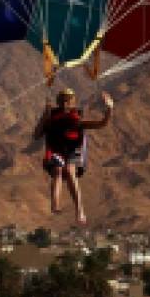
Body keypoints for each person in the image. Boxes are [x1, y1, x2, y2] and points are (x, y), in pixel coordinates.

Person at [33, 87, 113, 224]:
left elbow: (102, 124)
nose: (65, 104)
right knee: (58, 170)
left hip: (73, 152)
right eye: (62, 101)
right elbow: (36, 135)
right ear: (58, 102)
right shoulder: (51, 119)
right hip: (56, 151)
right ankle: (55, 204)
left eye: (68, 101)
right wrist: (45, 116)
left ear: (72, 102)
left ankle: (79, 210)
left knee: (70, 171)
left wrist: (109, 109)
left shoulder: (76, 120)